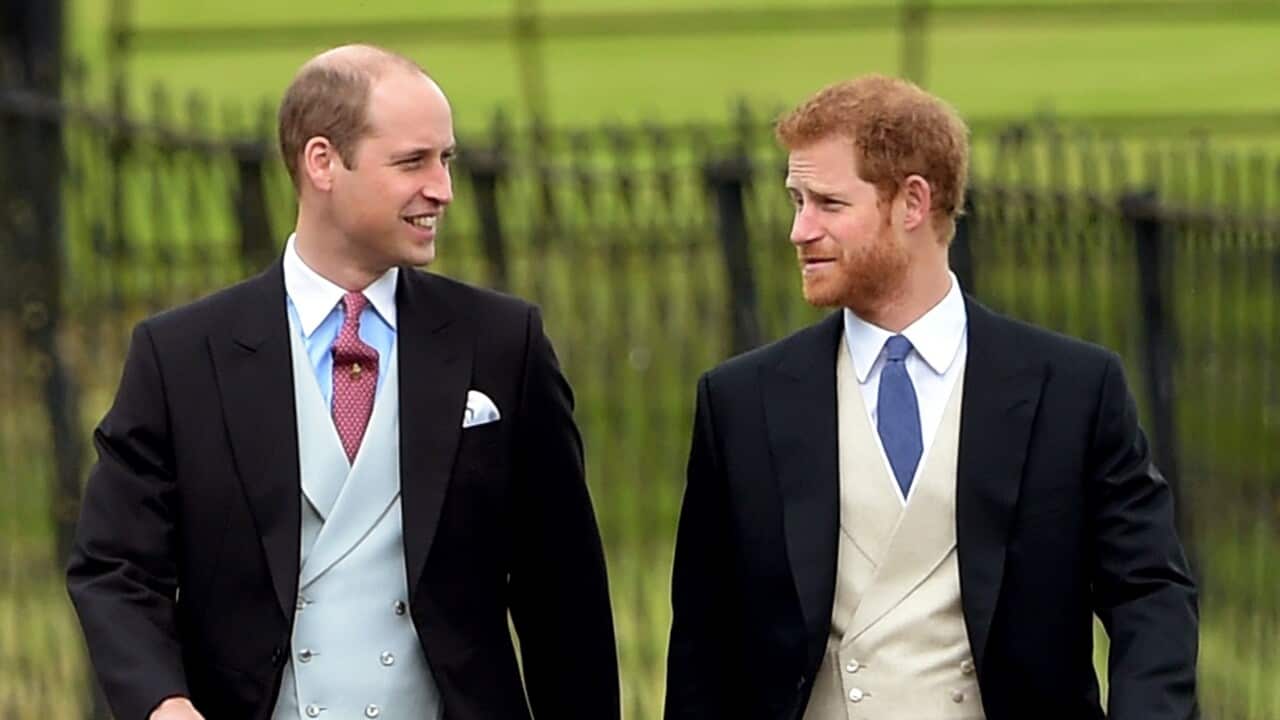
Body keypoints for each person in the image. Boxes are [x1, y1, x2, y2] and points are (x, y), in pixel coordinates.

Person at [67, 44, 619, 720]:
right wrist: (163, 704)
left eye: (446, 159)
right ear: (322, 163)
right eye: (412, 162)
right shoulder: (182, 356)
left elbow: (563, 592)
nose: (442, 188)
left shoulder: (503, 343)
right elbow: (115, 567)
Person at [664, 74, 1197, 720]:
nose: (799, 231)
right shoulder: (741, 403)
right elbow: (702, 648)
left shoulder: (1073, 391)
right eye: (796, 201)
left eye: (828, 204)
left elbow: (1150, 593)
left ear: (912, 203)